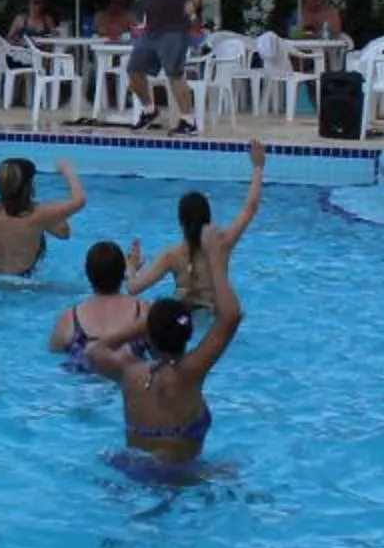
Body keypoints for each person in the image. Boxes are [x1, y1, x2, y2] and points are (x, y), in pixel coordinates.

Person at [84, 272, 245, 474]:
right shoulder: (188, 373)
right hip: (176, 477)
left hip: (131, 471)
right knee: (231, 471)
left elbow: (93, 350)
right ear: (189, 334)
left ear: (149, 336)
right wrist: (216, 258)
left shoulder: (130, 373)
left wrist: (141, 325)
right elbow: (231, 315)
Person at [126, 141, 268, 320]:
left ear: (180, 222)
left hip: (182, 320)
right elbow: (250, 207)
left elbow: (132, 289)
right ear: (208, 219)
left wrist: (132, 267)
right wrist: (258, 167)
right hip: (215, 320)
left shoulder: (171, 256)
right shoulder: (222, 245)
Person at [0, 126, 86, 276]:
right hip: (24, 283)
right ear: (28, 186)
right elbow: (79, 200)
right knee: (60, 228)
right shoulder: (39, 215)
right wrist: (68, 172)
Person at [129, 0, 203, 133]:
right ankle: (149, 110)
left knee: (174, 73)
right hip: (151, 28)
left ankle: (188, 120)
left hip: (174, 28)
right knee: (134, 71)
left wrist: (193, 3)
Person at [49, 240, 148, 372]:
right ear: (122, 272)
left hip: (80, 387)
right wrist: (131, 273)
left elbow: (53, 353)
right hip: (128, 383)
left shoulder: (69, 319)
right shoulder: (143, 311)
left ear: (87, 273)